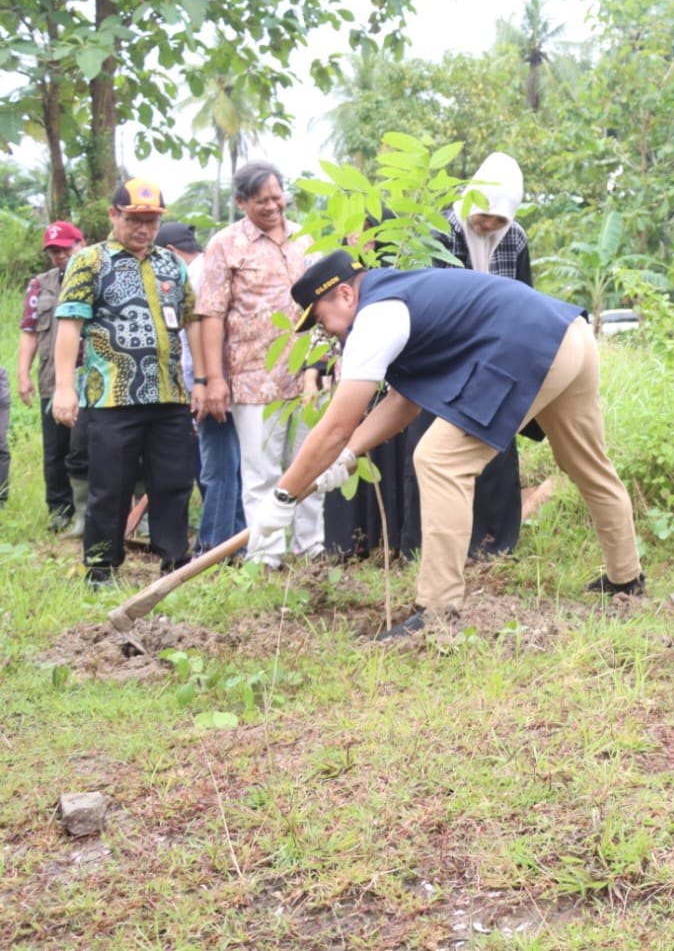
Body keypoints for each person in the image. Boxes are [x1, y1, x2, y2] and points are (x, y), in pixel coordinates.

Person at [261, 249, 643, 640]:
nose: (326, 332)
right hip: (569, 335)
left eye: (321, 319)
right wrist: (347, 456)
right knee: (587, 464)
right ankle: (627, 579)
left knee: (439, 460)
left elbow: (336, 426)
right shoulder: (398, 296)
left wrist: (283, 497)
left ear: (344, 294)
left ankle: (438, 610)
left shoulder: (375, 317)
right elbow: (402, 402)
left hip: (528, 349)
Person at [52, 178, 200, 587]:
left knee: (173, 482)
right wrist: (64, 388)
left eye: (151, 221)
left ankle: (174, 563)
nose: (144, 229)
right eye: (135, 219)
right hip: (112, 397)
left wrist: (203, 379)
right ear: (113, 215)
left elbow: (192, 321)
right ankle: (101, 568)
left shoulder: (172, 264)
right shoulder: (90, 261)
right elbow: (69, 325)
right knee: (110, 486)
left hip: (169, 393)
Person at [399, 152, 530, 560]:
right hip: (442, 357)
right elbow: (426, 299)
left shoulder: (515, 238)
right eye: (483, 215)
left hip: (494, 360)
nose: (487, 225)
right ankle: (428, 547)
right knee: (432, 452)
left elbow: (525, 299)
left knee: (493, 450)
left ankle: (493, 544)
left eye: (497, 219)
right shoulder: (438, 230)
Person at [196, 161, 324, 566]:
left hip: (307, 374)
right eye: (260, 201)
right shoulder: (225, 244)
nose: (272, 207)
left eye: (276, 197)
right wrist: (213, 379)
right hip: (253, 376)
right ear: (241, 202)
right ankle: (266, 556)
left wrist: (321, 366)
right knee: (261, 473)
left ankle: (311, 547)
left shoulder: (306, 238)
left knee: (310, 463)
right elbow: (211, 313)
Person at [158, 220, 246, 555]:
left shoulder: (197, 276)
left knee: (218, 469)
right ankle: (238, 546)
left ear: (170, 252)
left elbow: (202, 339)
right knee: (232, 468)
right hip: (231, 382)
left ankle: (212, 548)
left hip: (213, 385)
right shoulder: (212, 268)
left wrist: (205, 383)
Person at [18, 221, 85, 528]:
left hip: (93, 378)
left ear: (80, 244)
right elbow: (29, 332)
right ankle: (60, 510)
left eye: (66, 249)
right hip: (52, 379)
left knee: (90, 446)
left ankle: (93, 511)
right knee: (56, 449)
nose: (60, 256)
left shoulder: (97, 274)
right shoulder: (40, 285)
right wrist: (23, 375)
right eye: (54, 251)